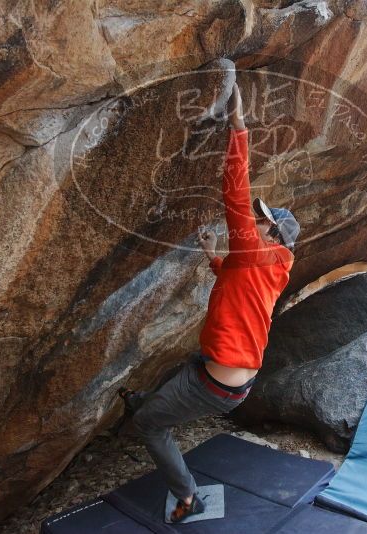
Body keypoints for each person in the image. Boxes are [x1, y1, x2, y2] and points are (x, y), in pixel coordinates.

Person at [118, 81, 301, 523]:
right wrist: (211, 256)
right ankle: (145, 397)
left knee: (149, 425)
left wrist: (238, 125)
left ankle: (185, 497)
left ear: (273, 234)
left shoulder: (258, 251)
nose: (255, 222)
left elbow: (234, 194)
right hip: (228, 375)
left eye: (263, 221)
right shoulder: (271, 267)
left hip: (216, 385)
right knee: (179, 369)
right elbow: (239, 285)